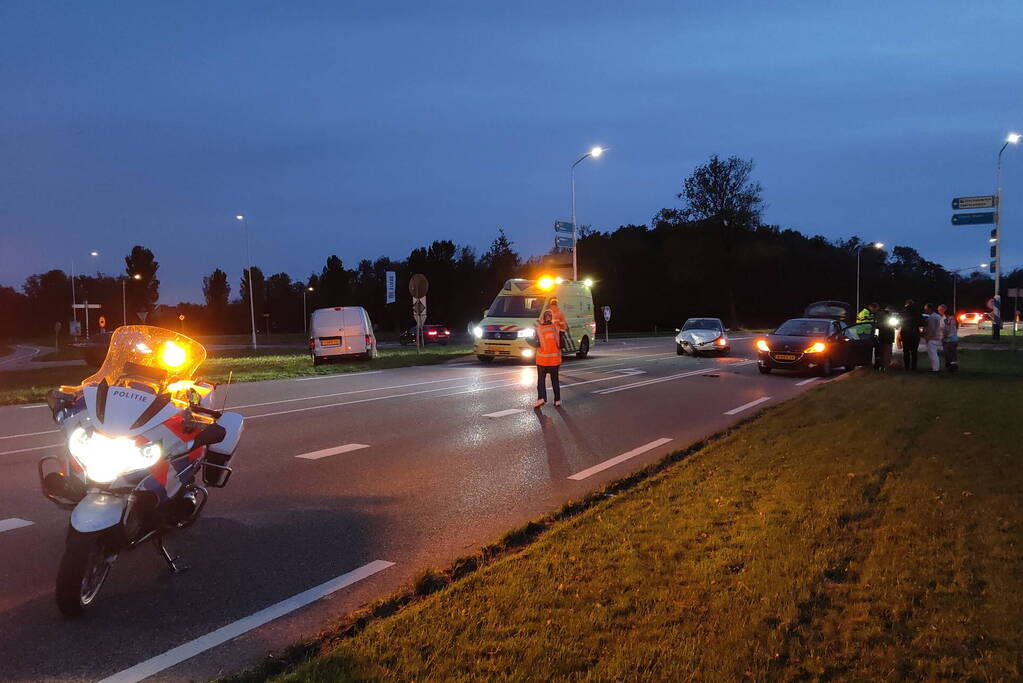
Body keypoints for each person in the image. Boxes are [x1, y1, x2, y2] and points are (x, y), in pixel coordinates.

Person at [533, 309, 562, 408]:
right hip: (554, 360)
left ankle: (541, 398)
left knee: (541, 380)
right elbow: (561, 342)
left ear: (543, 318)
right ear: (551, 317)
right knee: (555, 380)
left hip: (542, 360)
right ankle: (557, 400)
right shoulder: (556, 328)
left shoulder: (539, 329)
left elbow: (533, 341)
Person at [897, 299, 922, 371]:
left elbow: (899, 322)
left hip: (905, 333)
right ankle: (914, 367)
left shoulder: (903, 311)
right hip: (915, 333)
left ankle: (907, 367)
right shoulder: (917, 311)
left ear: (906, 304)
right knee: (914, 352)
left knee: (906, 351)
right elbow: (922, 322)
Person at [922, 303, 943, 373]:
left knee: (932, 354)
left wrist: (928, 338)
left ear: (930, 309)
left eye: (926, 309)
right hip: (937, 337)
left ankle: (935, 369)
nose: (925, 311)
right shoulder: (938, 316)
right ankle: (936, 368)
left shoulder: (932, 317)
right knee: (934, 353)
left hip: (932, 338)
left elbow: (931, 329)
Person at [875, 305, 896, 370]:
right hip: (889, 337)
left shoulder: (880, 316)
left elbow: (877, 325)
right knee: (887, 352)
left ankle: (881, 366)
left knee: (881, 352)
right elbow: (895, 326)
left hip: (882, 337)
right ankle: (886, 367)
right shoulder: (891, 317)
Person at [939, 303, 959, 372]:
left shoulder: (948, 319)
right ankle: (953, 367)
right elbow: (956, 328)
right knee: (953, 354)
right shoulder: (954, 318)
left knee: (949, 354)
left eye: (940, 310)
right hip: (954, 338)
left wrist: (944, 336)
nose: (939, 312)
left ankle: (951, 368)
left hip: (948, 339)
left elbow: (946, 329)